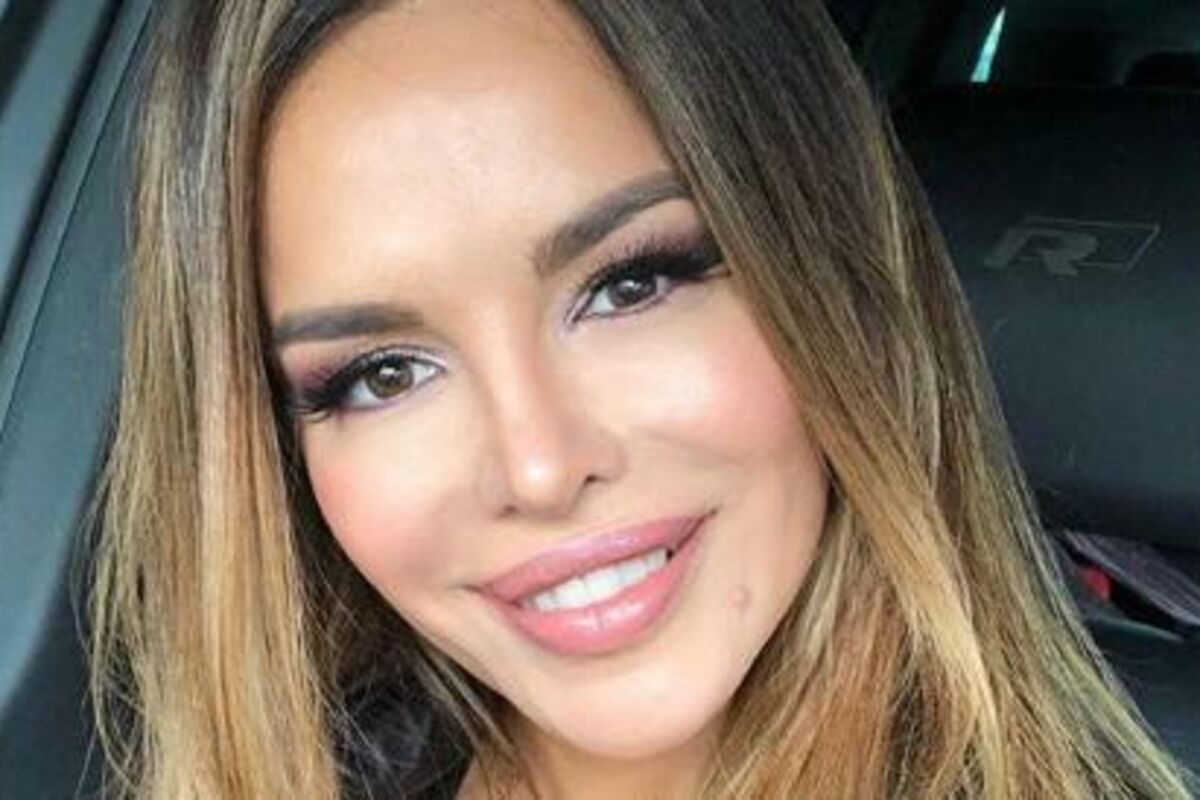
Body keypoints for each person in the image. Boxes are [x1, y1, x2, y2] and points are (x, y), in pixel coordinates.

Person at [87, 0, 1195, 798]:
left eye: (631, 284)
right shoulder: (346, 761)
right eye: (383, 373)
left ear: (831, 274)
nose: (538, 465)